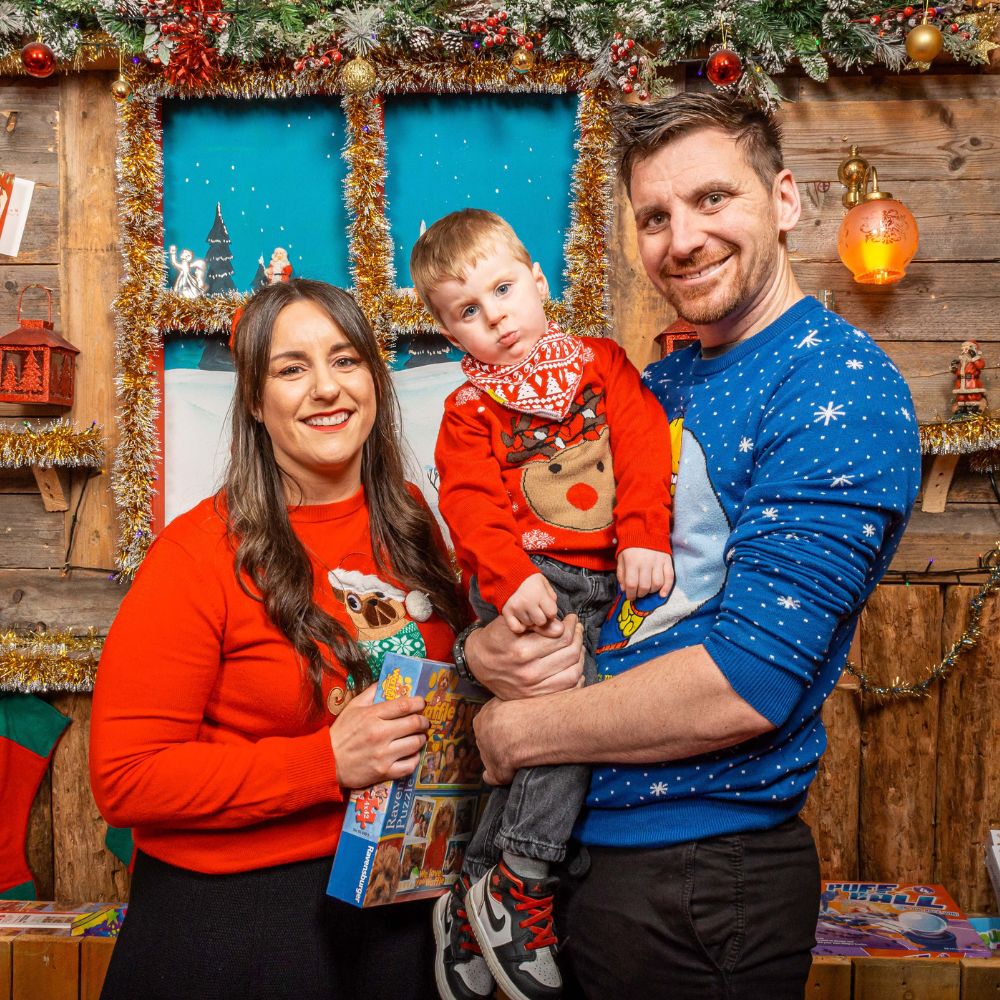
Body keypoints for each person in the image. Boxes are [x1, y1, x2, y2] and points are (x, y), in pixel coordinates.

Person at [458, 93, 922, 1000]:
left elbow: (749, 681)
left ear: (783, 200)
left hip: (700, 879)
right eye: (656, 217)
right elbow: (554, 561)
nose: (683, 238)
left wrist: (520, 728)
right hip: (565, 862)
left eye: (714, 199)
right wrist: (487, 648)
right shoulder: (651, 385)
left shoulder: (838, 385)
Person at [89, 279, 468, 1000]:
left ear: (376, 383)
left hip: (398, 910)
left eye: (346, 360)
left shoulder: (413, 522)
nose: (327, 388)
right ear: (257, 404)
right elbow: (126, 778)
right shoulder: (198, 552)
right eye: (292, 369)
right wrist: (326, 761)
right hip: (240, 925)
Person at [410, 208, 674, 1000]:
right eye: (467, 311)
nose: (493, 316)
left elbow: (640, 442)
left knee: (566, 723)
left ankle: (476, 896)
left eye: (501, 289)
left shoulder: (602, 365)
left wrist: (642, 535)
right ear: (450, 332)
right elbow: (470, 504)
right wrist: (508, 580)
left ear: (538, 281)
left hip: (616, 572)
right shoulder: (469, 413)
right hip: (535, 585)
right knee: (562, 708)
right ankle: (521, 875)